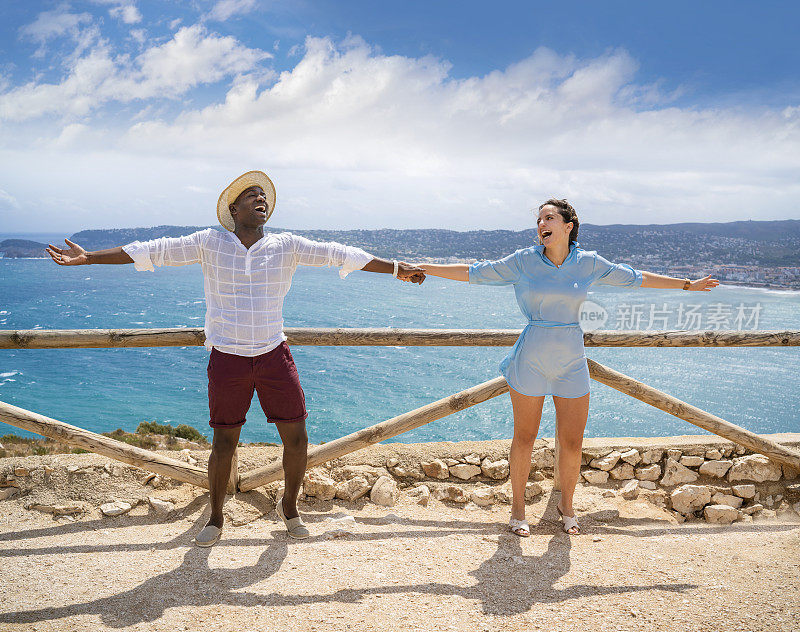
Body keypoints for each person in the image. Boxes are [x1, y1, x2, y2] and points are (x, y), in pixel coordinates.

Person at [46, 170, 426, 546]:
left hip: (274, 355)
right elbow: (153, 249)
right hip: (228, 358)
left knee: (297, 438)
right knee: (224, 443)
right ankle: (215, 517)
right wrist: (90, 258)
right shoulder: (210, 242)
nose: (261, 200)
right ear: (233, 208)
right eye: (251, 195)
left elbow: (341, 254)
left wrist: (395, 269)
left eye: (263, 196)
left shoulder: (287, 245)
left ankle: (290, 508)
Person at [409, 198, 718, 536]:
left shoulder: (588, 263)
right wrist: (423, 266)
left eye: (549, 217)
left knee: (572, 442)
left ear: (568, 226)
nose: (542, 223)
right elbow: (474, 273)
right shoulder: (524, 261)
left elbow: (635, 278)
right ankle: (517, 509)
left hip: (571, 358)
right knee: (524, 437)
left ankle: (566, 506)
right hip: (532, 357)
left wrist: (688, 284)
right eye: (539, 219)